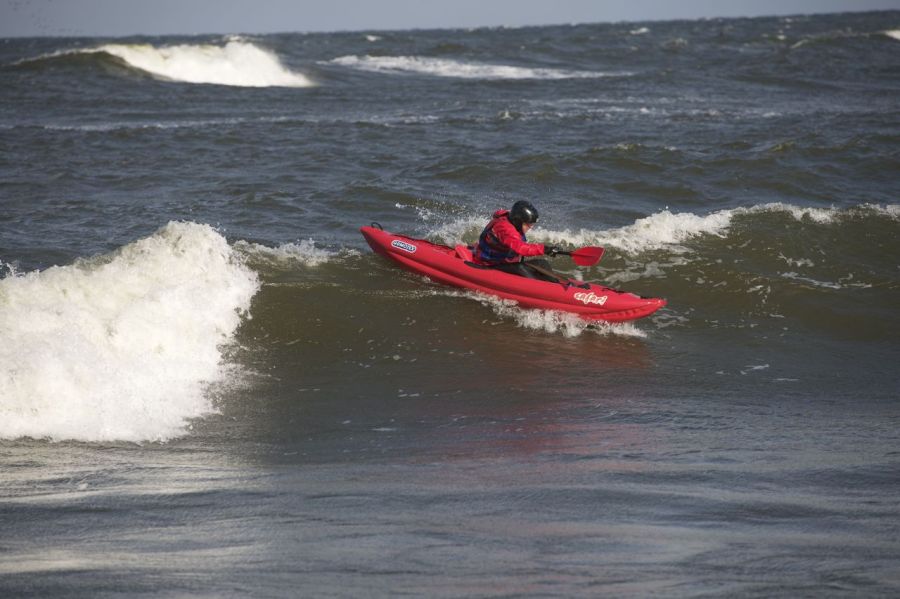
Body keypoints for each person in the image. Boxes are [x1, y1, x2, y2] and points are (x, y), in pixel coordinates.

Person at [472, 200, 561, 281]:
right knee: (520, 268)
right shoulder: (505, 229)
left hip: (504, 262)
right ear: (518, 221)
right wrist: (544, 249)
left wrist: (550, 250)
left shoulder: (513, 221)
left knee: (542, 263)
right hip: (489, 264)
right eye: (528, 224)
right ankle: (540, 290)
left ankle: (556, 285)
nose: (531, 227)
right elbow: (520, 248)